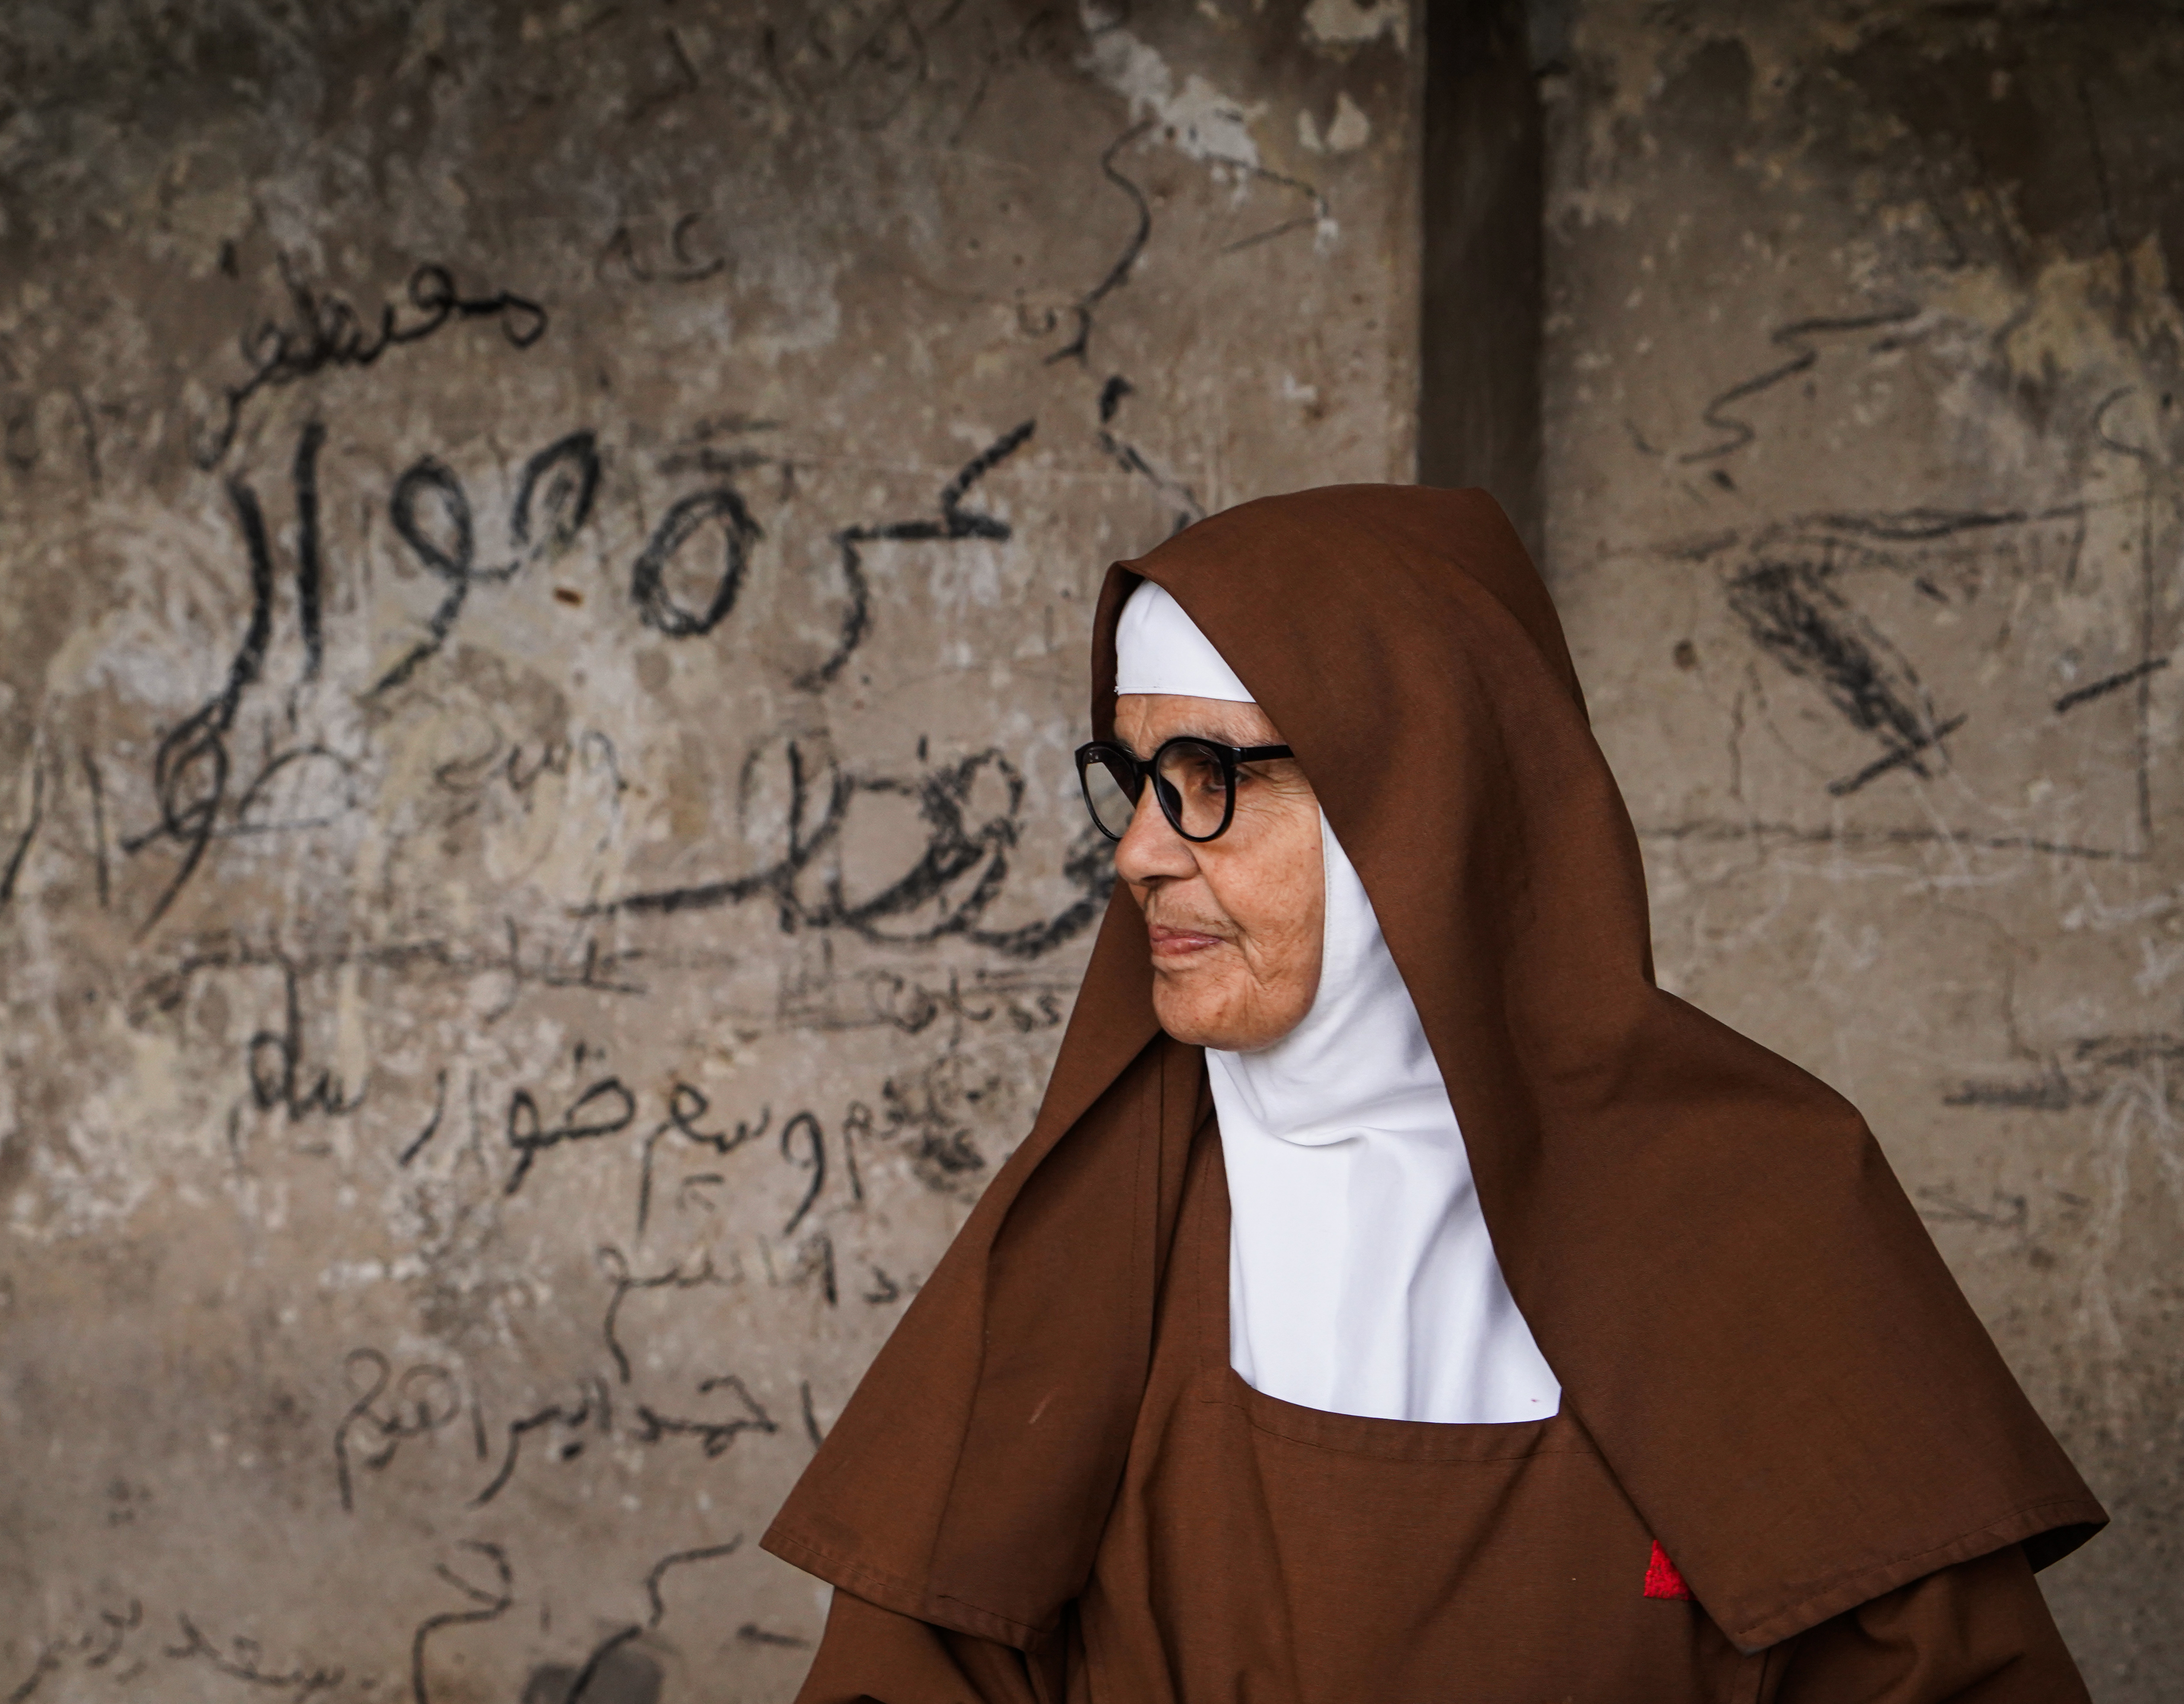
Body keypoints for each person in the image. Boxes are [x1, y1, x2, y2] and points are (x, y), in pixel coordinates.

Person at [762, 486, 2103, 1702]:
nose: (1136, 854)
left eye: (1210, 779)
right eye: (1133, 778)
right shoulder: (1093, 1234)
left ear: (1425, 796)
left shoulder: (1762, 1222)